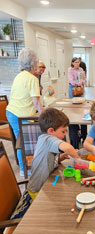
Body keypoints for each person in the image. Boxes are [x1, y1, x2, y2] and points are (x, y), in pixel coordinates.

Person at [10, 108, 79, 220]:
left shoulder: (44, 139)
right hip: (37, 193)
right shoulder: (48, 139)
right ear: (51, 131)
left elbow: (48, 161)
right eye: (63, 131)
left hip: (44, 187)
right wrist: (78, 159)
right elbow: (67, 147)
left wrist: (61, 157)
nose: (64, 135)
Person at [6, 47, 43, 177]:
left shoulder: (19, 76)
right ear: (34, 63)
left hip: (12, 112)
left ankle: (27, 167)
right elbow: (37, 103)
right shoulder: (33, 79)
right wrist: (46, 115)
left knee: (22, 141)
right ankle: (25, 170)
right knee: (23, 143)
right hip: (20, 114)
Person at [68, 57, 87, 149]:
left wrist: (81, 82)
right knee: (73, 107)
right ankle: (75, 127)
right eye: (76, 62)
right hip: (73, 89)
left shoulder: (81, 69)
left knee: (82, 107)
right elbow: (71, 81)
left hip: (80, 89)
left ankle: (83, 134)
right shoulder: (70, 70)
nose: (78, 64)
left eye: (79, 62)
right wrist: (78, 83)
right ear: (72, 63)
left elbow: (84, 79)